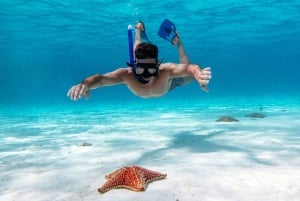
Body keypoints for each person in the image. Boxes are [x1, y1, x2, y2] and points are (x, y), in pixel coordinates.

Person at [67, 21, 211, 100]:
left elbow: (190, 67)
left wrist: (197, 74)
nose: (147, 74)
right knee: (137, 49)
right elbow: (100, 79)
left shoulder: (165, 71)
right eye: (141, 69)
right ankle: (138, 32)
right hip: (143, 72)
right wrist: (84, 84)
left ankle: (178, 42)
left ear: (157, 65)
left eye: (151, 69)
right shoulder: (127, 75)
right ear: (134, 66)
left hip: (169, 84)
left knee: (187, 74)